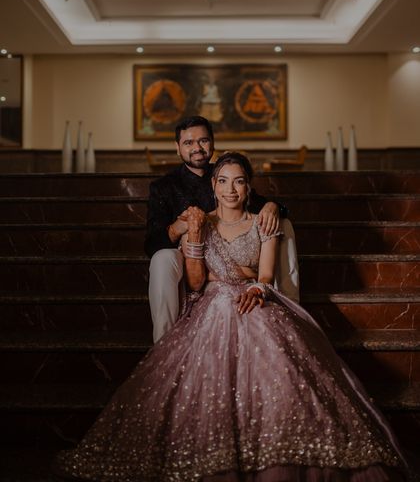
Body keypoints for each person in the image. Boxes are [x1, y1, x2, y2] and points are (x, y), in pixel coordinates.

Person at [54, 152, 409, 482]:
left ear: (249, 186)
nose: (230, 189)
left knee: (278, 355)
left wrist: (257, 287)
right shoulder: (200, 221)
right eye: (223, 181)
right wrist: (194, 238)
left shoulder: (263, 223)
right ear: (213, 185)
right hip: (212, 305)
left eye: (238, 181)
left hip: (252, 299)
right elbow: (196, 281)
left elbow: (266, 275)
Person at [145, 115, 299, 342]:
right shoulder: (163, 187)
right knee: (161, 259)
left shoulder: (225, 173)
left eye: (203, 141)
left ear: (212, 143)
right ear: (177, 148)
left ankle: (289, 303)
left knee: (282, 224)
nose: (197, 148)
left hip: (232, 257)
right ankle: (163, 340)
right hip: (183, 254)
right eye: (189, 143)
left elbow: (255, 202)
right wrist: (180, 227)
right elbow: (152, 244)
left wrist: (272, 206)